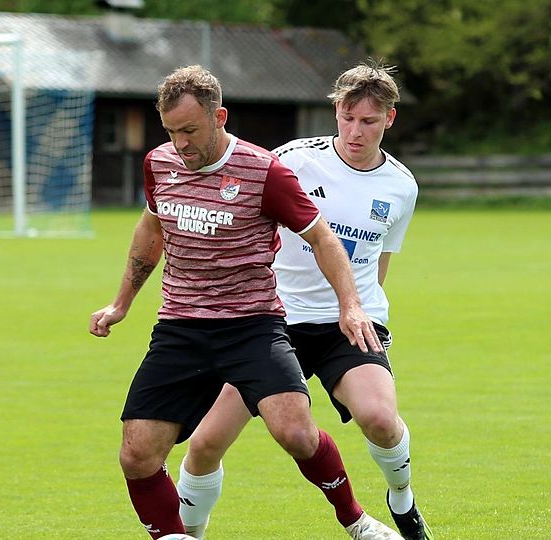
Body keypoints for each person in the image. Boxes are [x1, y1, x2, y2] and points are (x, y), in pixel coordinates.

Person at [89, 65, 402, 540]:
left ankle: (356, 520)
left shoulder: (265, 171)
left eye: (190, 131)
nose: (181, 144)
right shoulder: (159, 163)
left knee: (295, 433)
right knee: (137, 454)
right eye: (172, 132)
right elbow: (151, 229)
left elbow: (323, 239)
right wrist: (121, 303)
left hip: (252, 325)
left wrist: (351, 304)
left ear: (220, 117)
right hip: (180, 328)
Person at [177, 60, 432, 540]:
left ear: (390, 120)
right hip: (271, 322)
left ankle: (402, 498)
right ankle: (187, 534)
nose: (355, 131)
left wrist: (359, 308)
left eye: (369, 122)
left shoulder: (401, 186)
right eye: (347, 118)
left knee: (380, 419)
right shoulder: (293, 158)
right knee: (206, 442)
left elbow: (380, 264)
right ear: (336, 111)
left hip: (347, 321)